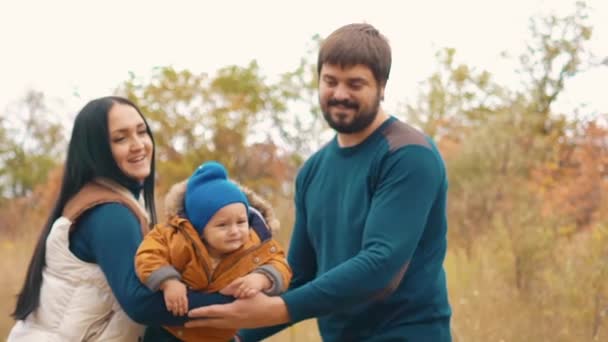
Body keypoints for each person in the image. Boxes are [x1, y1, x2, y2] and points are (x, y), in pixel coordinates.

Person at [186, 23, 453, 341]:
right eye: (330, 81)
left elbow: (381, 266)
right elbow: (299, 273)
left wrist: (278, 309)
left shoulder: (408, 155)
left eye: (355, 84)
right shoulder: (313, 170)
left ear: (381, 87)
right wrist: (235, 334)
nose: (340, 94)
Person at [8, 96, 236, 341]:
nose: (138, 144)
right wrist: (236, 300)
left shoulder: (104, 199)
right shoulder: (109, 211)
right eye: (121, 138)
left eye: (142, 132)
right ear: (96, 150)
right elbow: (140, 303)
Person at [134, 161, 292, 342]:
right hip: (169, 333)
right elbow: (148, 254)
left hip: (220, 336)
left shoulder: (255, 246)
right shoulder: (176, 238)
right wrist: (168, 281)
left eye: (241, 222)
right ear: (199, 229)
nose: (234, 231)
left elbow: (280, 264)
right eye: (222, 225)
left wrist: (262, 278)